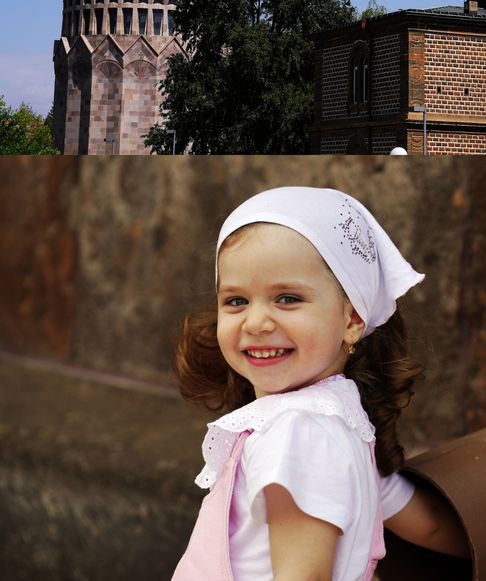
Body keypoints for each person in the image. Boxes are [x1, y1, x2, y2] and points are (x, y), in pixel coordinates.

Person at [172, 187, 469, 581]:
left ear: (352, 319)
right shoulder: (341, 421)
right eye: (236, 301)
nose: (256, 322)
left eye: (288, 298)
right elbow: (427, 523)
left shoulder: (297, 433)